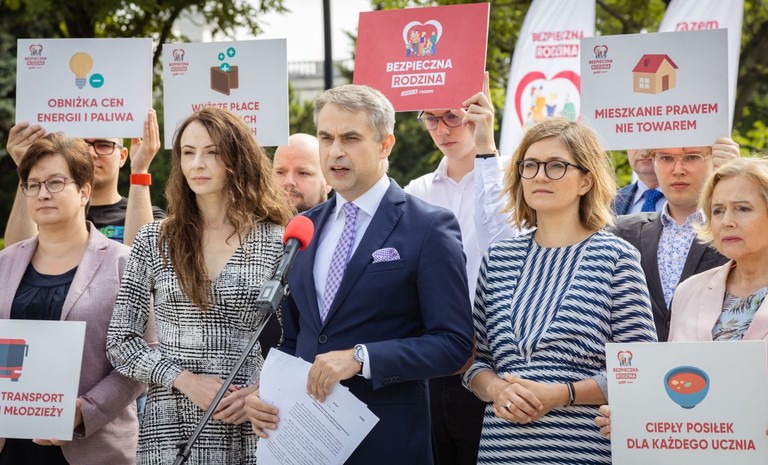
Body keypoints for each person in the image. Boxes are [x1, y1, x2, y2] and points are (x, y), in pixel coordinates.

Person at [244, 84, 474, 464]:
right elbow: (297, 338)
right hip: (305, 442)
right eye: (326, 138)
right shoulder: (304, 227)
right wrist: (266, 394)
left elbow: (453, 344)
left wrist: (362, 358)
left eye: (350, 138)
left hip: (387, 442)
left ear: (385, 144)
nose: (335, 151)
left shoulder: (428, 227)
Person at [463, 117, 657, 464]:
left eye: (556, 166)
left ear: (586, 180)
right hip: (501, 451)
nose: (539, 176)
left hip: (583, 450)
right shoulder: (497, 258)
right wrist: (497, 389)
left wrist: (562, 393)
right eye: (530, 166)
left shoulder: (617, 257)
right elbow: (478, 363)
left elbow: (639, 368)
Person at [105, 107, 294, 465]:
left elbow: (297, 342)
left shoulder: (277, 241)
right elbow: (120, 342)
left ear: (238, 158)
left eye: (212, 152)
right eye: (188, 153)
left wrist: (262, 391)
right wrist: (183, 379)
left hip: (248, 420)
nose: (197, 164)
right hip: (169, 426)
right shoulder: (155, 240)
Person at [0, 134, 147, 465]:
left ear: (84, 191)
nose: (43, 193)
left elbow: (143, 356)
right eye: (33, 185)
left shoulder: (123, 264)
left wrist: (85, 410)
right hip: (10, 447)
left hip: (93, 447)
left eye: (55, 182)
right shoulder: (4, 265)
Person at [596, 157, 768, 440]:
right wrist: (634, 416)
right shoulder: (690, 291)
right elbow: (678, 385)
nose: (726, 221)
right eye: (717, 210)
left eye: (743, 209)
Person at [406, 73, 516, 465]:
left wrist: (487, 150)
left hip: (493, 359)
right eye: (430, 119)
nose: (441, 129)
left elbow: (503, 246)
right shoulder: (416, 191)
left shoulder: (513, 180)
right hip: (432, 358)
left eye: (452, 116)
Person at [610, 139, 739, 340]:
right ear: (653, 162)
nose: (678, 170)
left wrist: (737, 181)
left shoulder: (735, 230)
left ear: (713, 161)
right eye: (666, 158)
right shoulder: (621, 231)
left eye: (692, 157)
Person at [4, 109, 165, 246]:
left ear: (122, 157)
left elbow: (143, 263)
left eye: (104, 145)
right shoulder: (49, 209)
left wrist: (140, 170)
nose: (91, 153)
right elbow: (17, 259)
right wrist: (28, 169)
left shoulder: (150, 215)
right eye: (82, 145)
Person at [613, 138, 737, 216]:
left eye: (692, 157)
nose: (642, 151)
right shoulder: (609, 203)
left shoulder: (716, 199)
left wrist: (733, 178)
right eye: (666, 158)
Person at [273, 133, 331, 212]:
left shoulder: (345, 218)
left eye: (303, 173)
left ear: (328, 181)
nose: (288, 181)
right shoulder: (257, 219)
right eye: (280, 172)